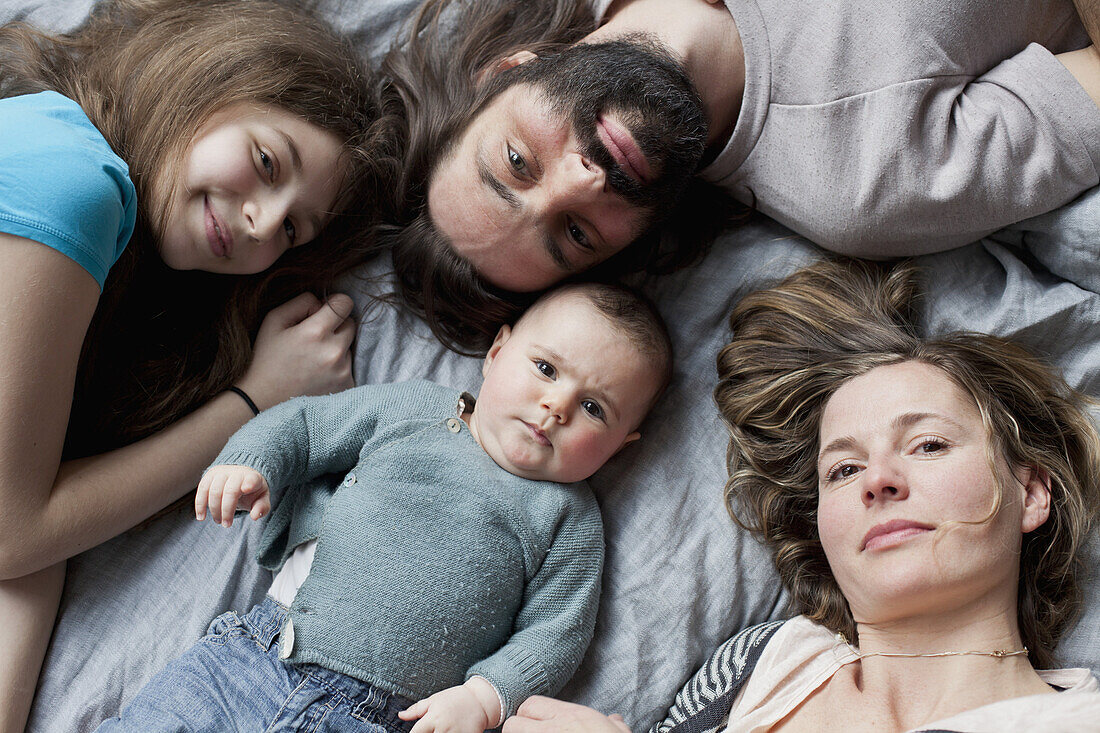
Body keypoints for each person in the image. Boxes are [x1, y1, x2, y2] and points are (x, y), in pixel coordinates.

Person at [0, 1, 392, 729]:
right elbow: (14, 531)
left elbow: (36, 539)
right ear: (213, 77)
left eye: (293, 226)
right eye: (269, 161)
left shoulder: (96, 231)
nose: (262, 221)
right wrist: (252, 403)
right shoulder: (69, 178)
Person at [501, 260, 1100, 732]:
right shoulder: (762, 665)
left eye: (928, 445)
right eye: (842, 469)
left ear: (1030, 492)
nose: (878, 480)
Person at [95, 282, 672, 732]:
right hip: (250, 660)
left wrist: (484, 698)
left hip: (381, 718)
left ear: (621, 448)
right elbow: (306, 424)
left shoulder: (569, 520)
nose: (556, 407)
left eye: (594, 408)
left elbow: (556, 634)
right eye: (545, 369)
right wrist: (251, 460)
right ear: (496, 353)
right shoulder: (410, 409)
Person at [383, 0, 1100, 314]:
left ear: (509, 70)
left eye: (516, 162)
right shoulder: (859, 186)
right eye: (574, 233)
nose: (582, 178)